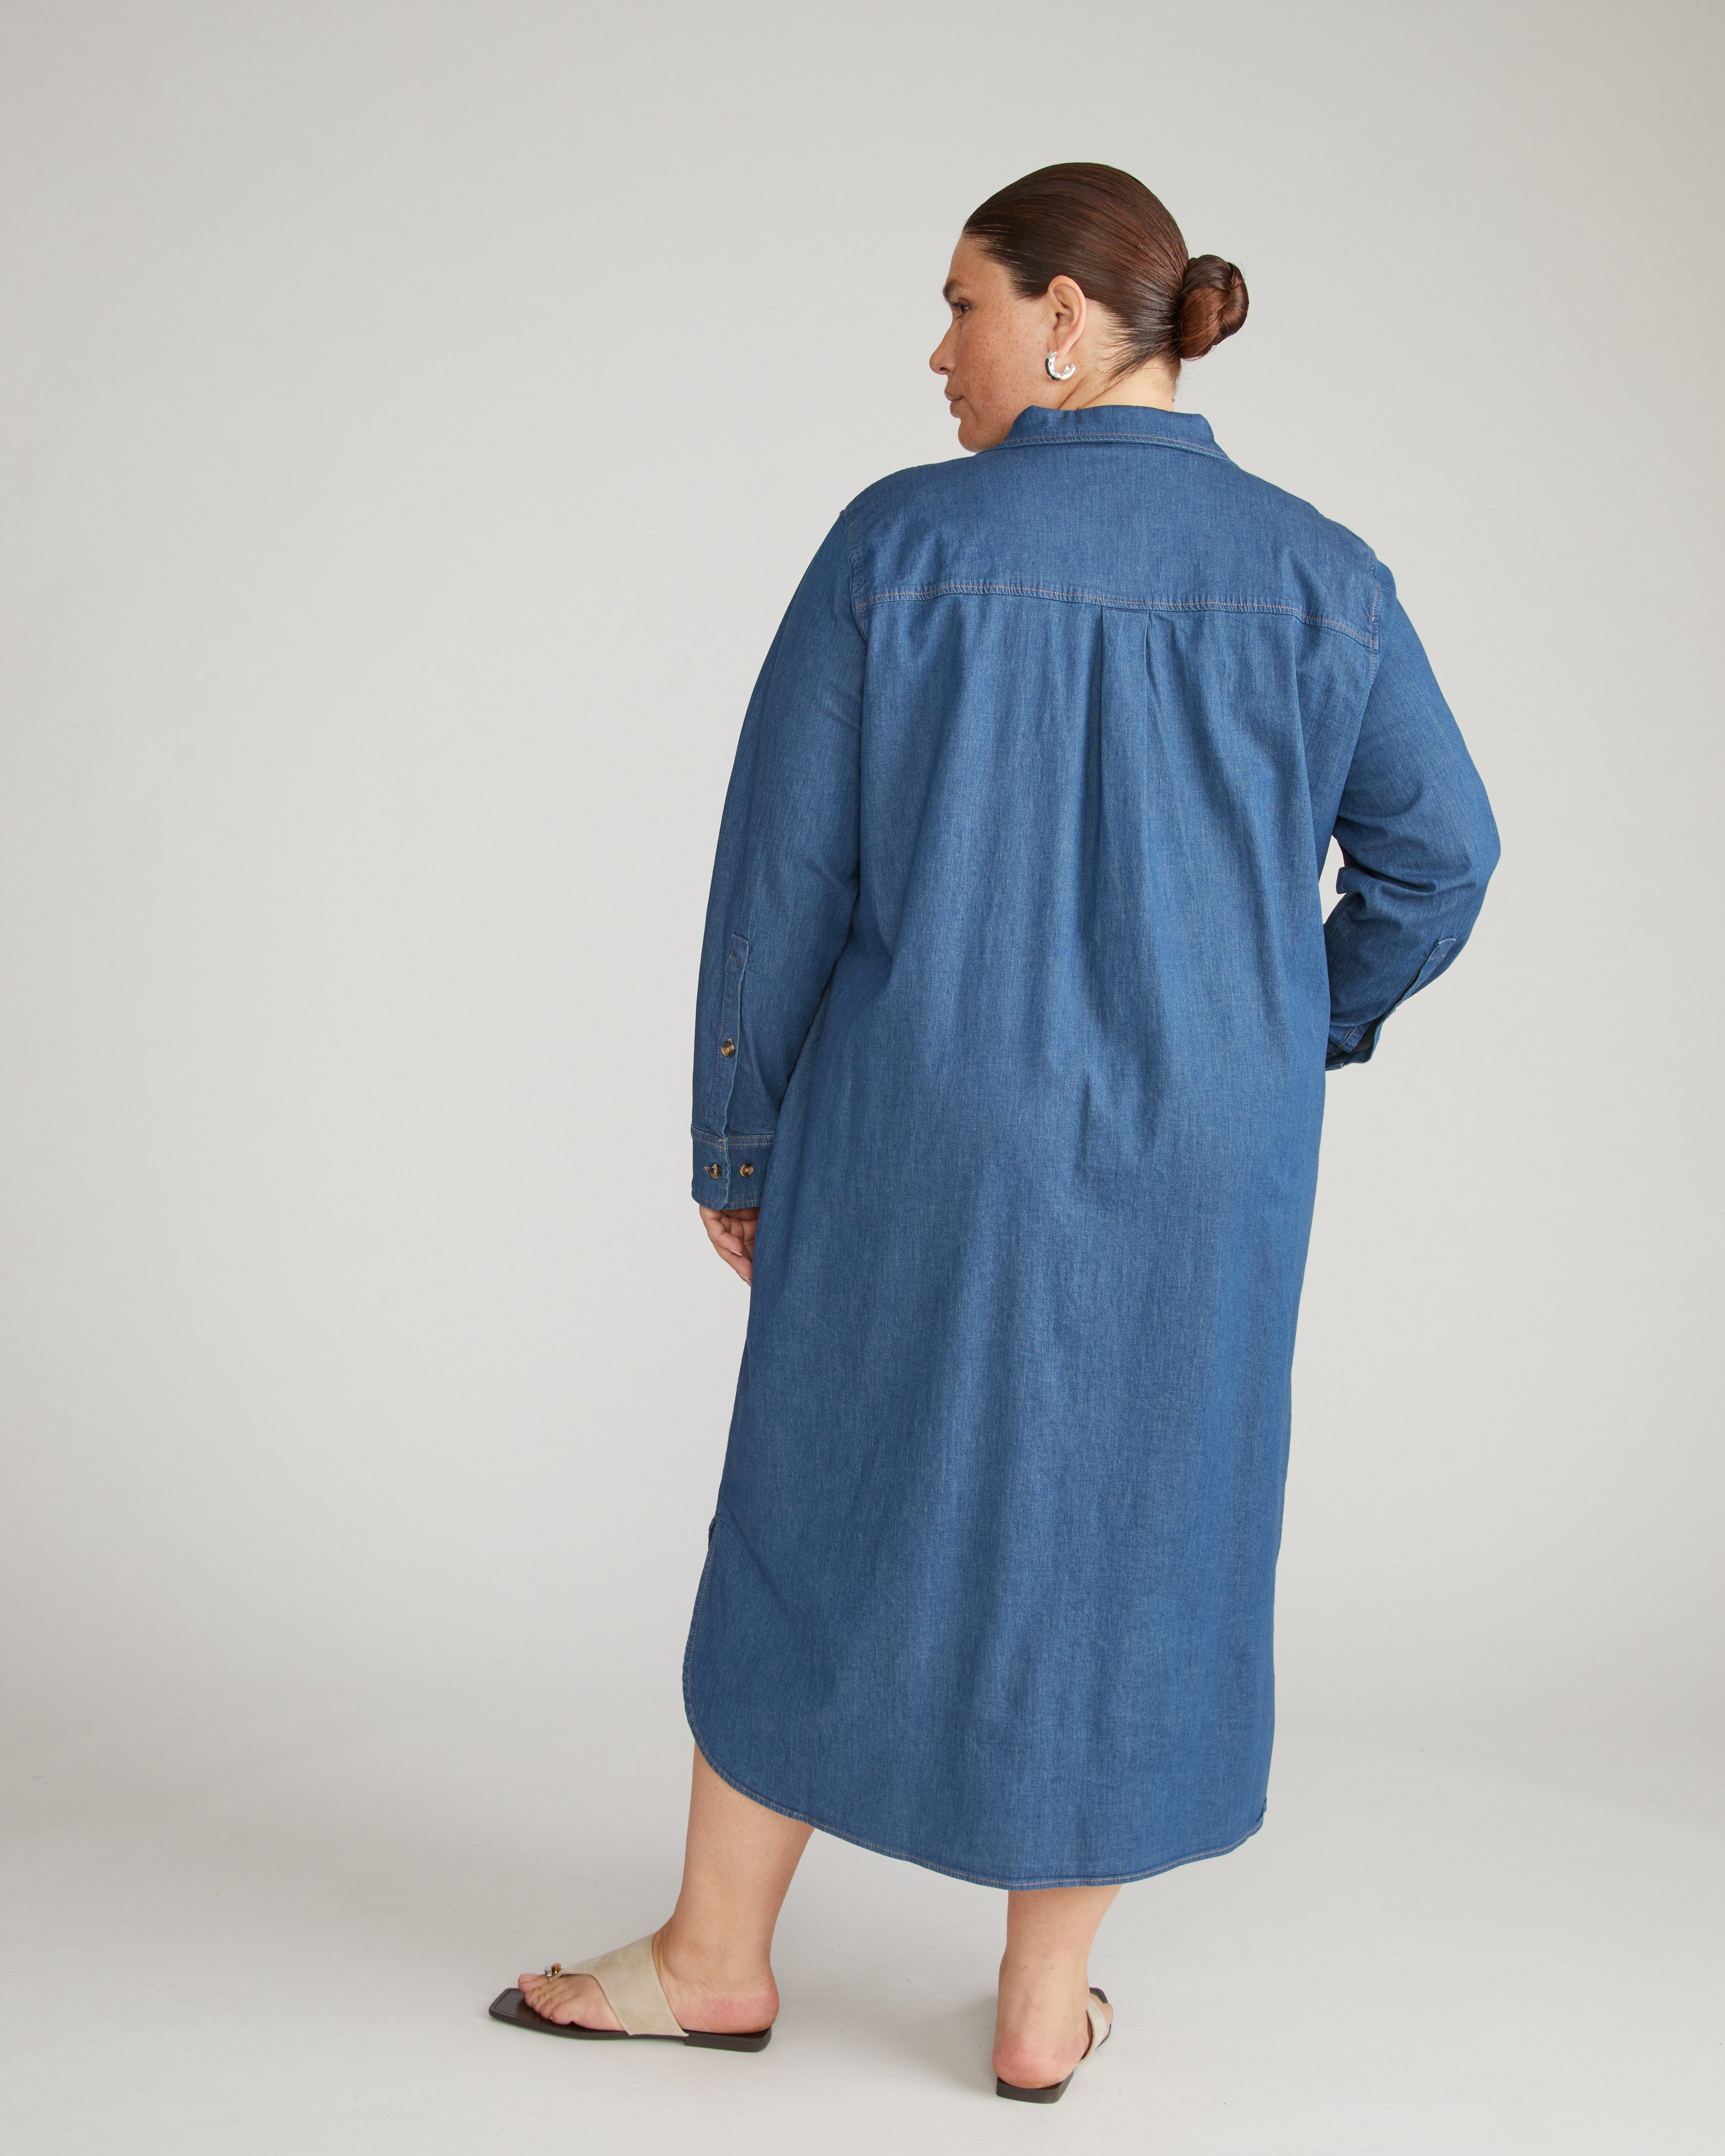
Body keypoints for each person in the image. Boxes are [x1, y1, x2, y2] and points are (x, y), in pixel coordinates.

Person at [489, 162, 1498, 2103]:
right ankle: (1043, 2007)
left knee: (817, 1494)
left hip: (919, 1129)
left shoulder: (900, 543)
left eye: (958, 302)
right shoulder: (1322, 577)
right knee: (1143, 1519)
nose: (934, 349)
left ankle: (713, 1958)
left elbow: (779, 876)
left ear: (1060, 316)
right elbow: (1440, 862)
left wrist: (734, 1143)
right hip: (1202, 1159)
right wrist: (1284, 1025)